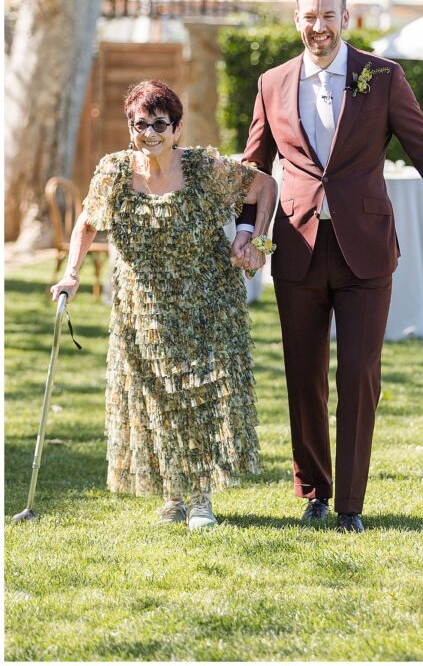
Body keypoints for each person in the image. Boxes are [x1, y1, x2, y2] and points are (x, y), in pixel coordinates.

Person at [231, 0, 423, 533]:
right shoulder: (272, 83)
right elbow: (254, 168)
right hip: (297, 247)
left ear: (347, 19)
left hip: (364, 251)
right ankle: (315, 490)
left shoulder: (382, 77)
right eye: (309, 16)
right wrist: (246, 228)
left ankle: (351, 505)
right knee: (304, 375)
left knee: (360, 375)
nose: (318, 26)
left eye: (328, 16)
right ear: (297, 20)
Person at [50, 80, 277, 529]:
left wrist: (254, 239)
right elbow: (87, 225)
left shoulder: (203, 168)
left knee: (197, 398)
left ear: (177, 128)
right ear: (129, 127)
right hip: (142, 308)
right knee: (156, 398)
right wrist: (72, 273)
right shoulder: (114, 171)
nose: (150, 133)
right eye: (140, 124)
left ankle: (199, 497)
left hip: (206, 302)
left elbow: (265, 187)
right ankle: (174, 495)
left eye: (160, 124)